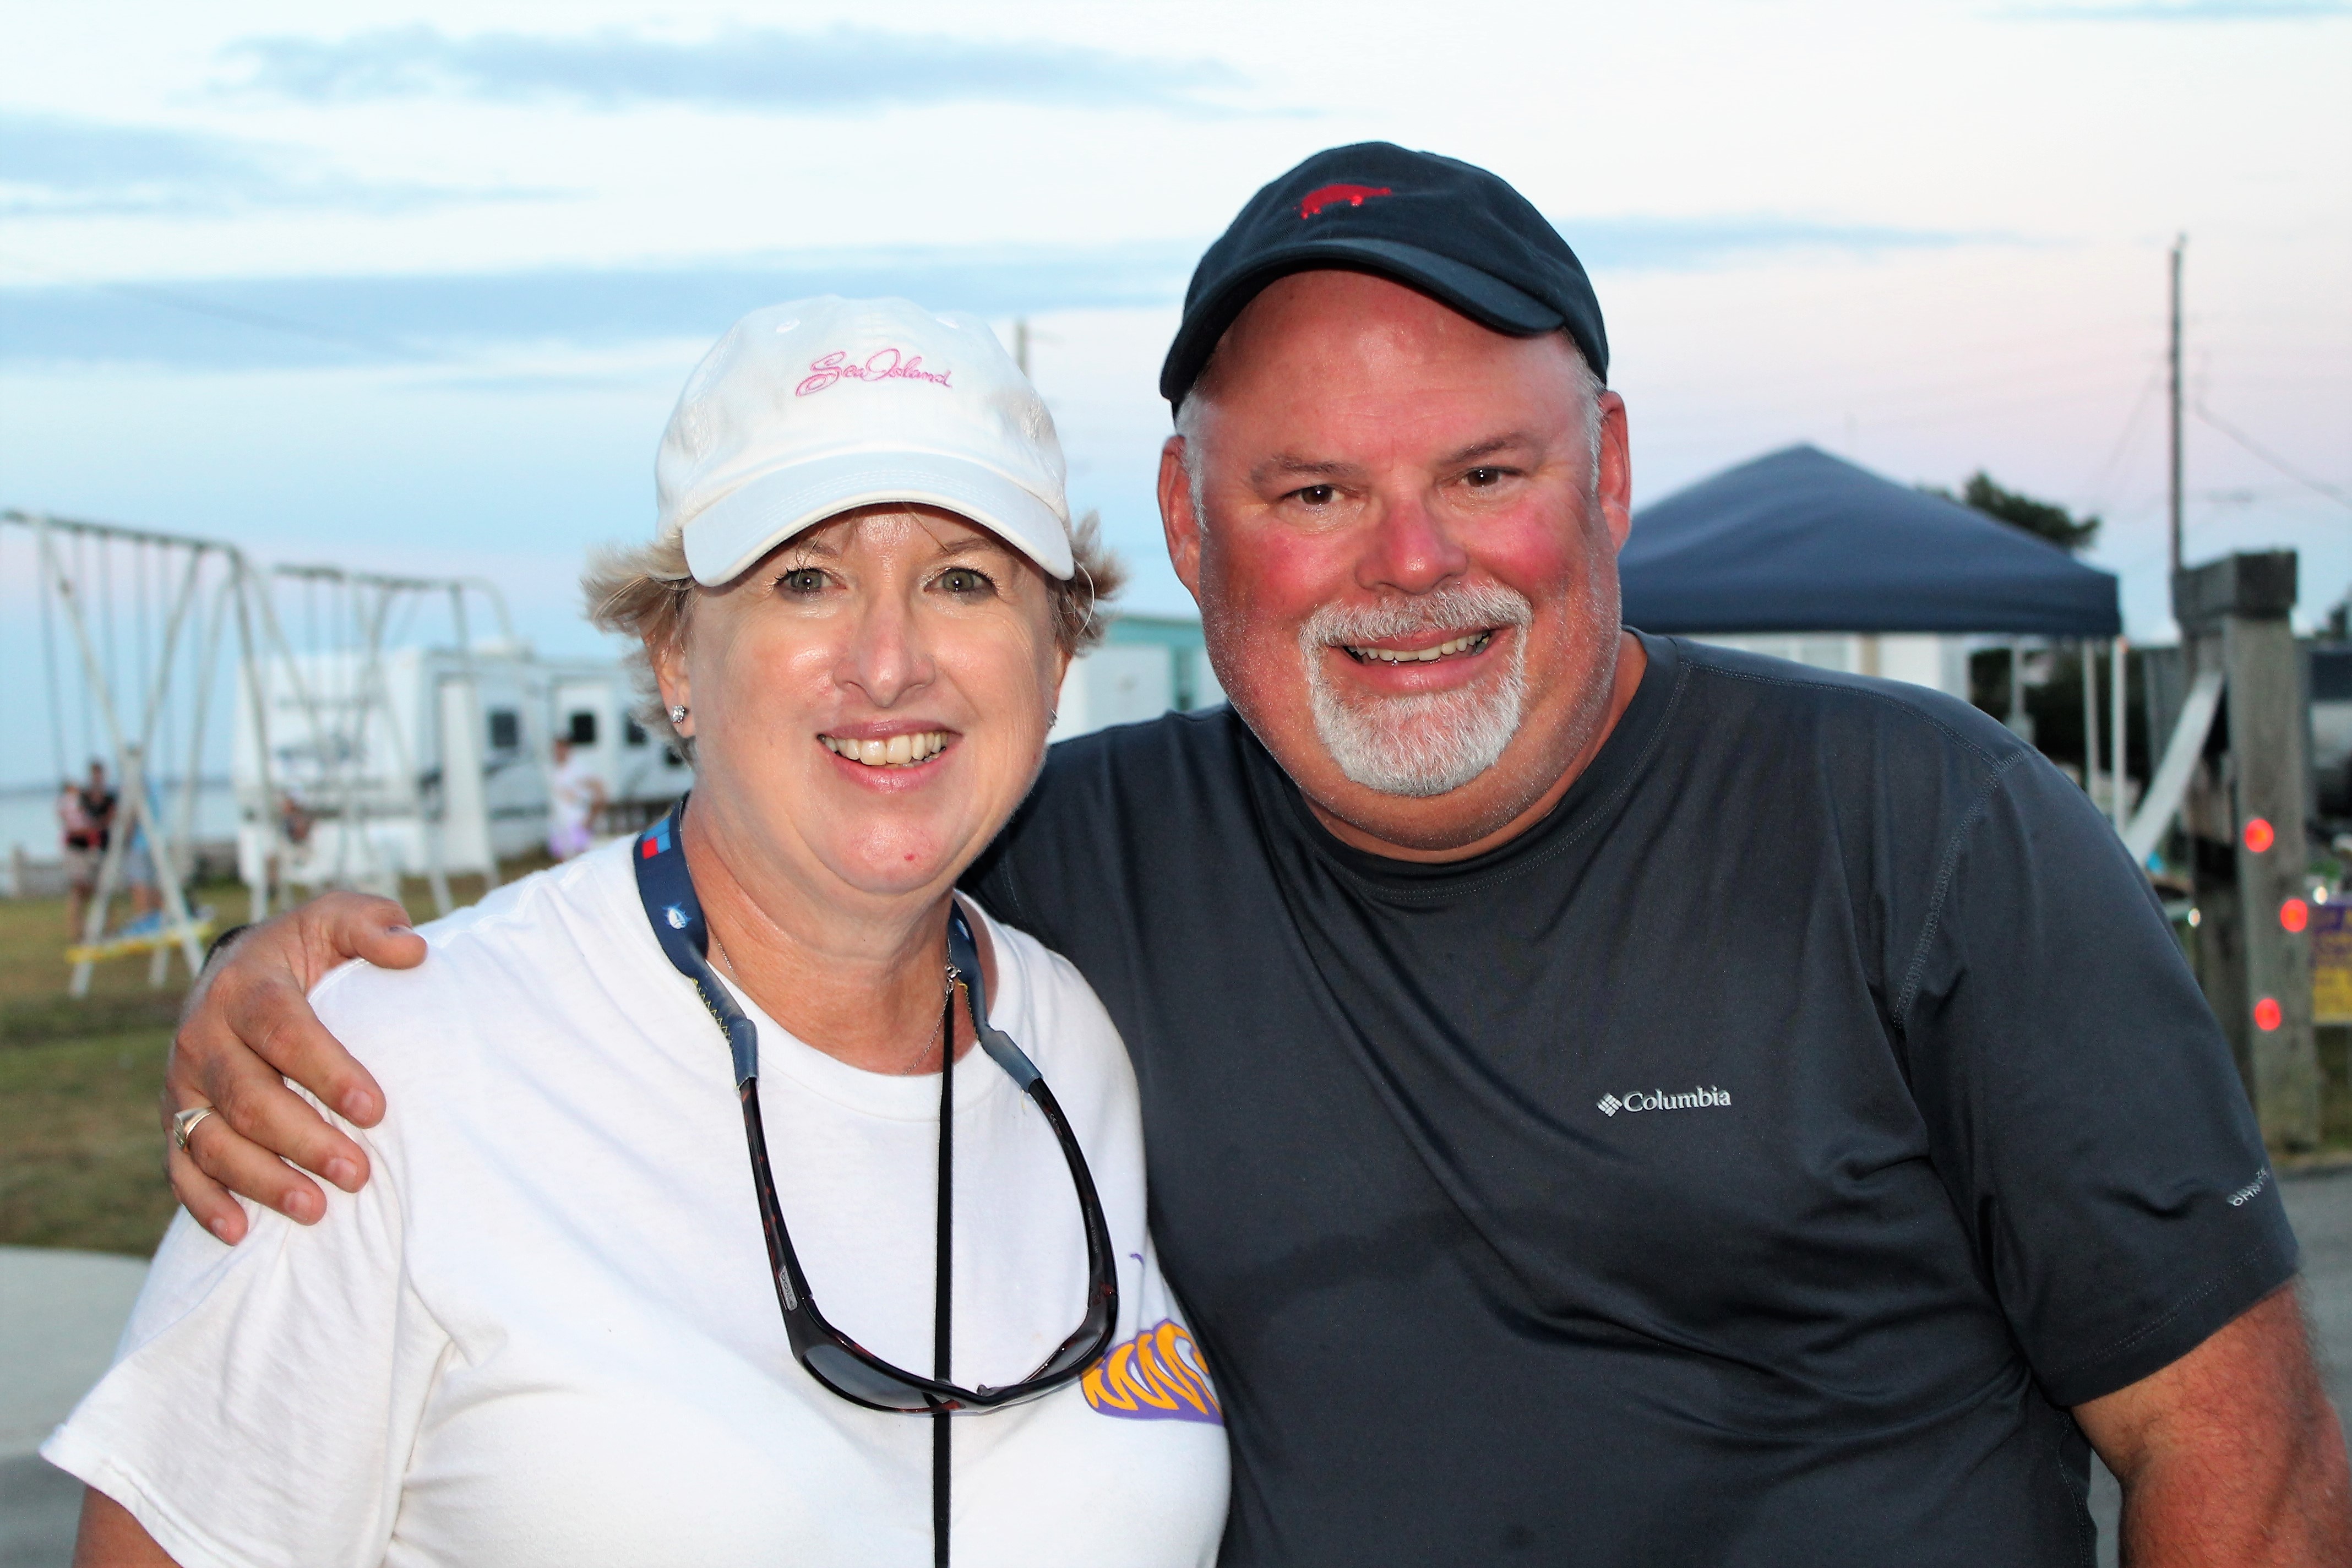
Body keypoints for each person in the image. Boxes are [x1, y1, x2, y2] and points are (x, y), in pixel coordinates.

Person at [159, 146, 2351, 1566]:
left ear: (1604, 472)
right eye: (1311, 494)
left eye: (1482, 471)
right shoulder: (1077, 862)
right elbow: (773, 860)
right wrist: (303, 977)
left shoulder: (1931, 832)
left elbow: (2241, 1467)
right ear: (1193, 531)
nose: (1407, 565)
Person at [52, 296, 1228, 1567]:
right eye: (806, 578)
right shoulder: (389, 1076)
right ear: (675, 653)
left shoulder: (1074, 1041)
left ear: (1055, 654)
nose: (888, 661)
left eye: (962, 579)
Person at [57, 760, 115, 938]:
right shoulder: (82, 797)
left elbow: (110, 817)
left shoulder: (109, 796)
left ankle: (106, 929)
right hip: (80, 847)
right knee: (79, 888)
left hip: (98, 847)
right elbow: (71, 822)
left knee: (102, 889)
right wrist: (93, 828)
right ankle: (77, 930)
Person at [546, 734, 606, 861]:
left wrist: (591, 818)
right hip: (560, 824)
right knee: (562, 862)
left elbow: (600, 791)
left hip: (578, 822)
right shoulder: (554, 771)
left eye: (561, 748)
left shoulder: (578, 769)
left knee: (580, 861)